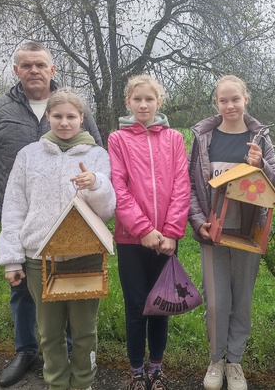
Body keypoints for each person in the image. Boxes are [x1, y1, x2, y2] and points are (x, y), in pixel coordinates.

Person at [0, 42, 102, 387]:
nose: (33, 70)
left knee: (70, 297)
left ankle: (71, 357)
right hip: (24, 223)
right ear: (16, 70)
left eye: (40, 64)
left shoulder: (72, 106)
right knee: (24, 291)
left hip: (72, 231)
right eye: (26, 65)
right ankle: (26, 351)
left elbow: (97, 162)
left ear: (52, 69)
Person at [0, 88, 115, 390]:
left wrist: (96, 184)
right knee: (49, 331)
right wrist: (11, 258)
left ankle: (83, 383)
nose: (64, 122)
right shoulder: (28, 155)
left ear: (82, 119)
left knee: (84, 329)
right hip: (39, 257)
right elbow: (13, 206)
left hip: (85, 256)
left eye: (71, 117)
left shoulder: (97, 156)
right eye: (58, 116)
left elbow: (107, 210)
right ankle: (57, 384)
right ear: (48, 117)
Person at [188, 75, 275, 390]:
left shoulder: (259, 139)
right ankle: (216, 360)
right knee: (216, 302)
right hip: (213, 234)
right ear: (216, 102)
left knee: (241, 299)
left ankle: (235, 363)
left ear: (246, 99)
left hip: (247, 234)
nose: (229, 105)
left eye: (235, 99)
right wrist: (198, 219)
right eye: (223, 100)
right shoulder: (204, 138)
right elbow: (190, 185)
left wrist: (262, 166)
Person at [108, 75, 191, 390]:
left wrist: (170, 232)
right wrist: (142, 229)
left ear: (159, 102)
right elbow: (119, 186)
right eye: (137, 99)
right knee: (136, 306)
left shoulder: (173, 138)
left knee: (161, 305)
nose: (143, 105)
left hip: (166, 241)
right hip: (132, 240)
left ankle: (156, 369)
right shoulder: (118, 139)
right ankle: (136, 371)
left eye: (149, 99)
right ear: (128, 102)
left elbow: (182, 186)